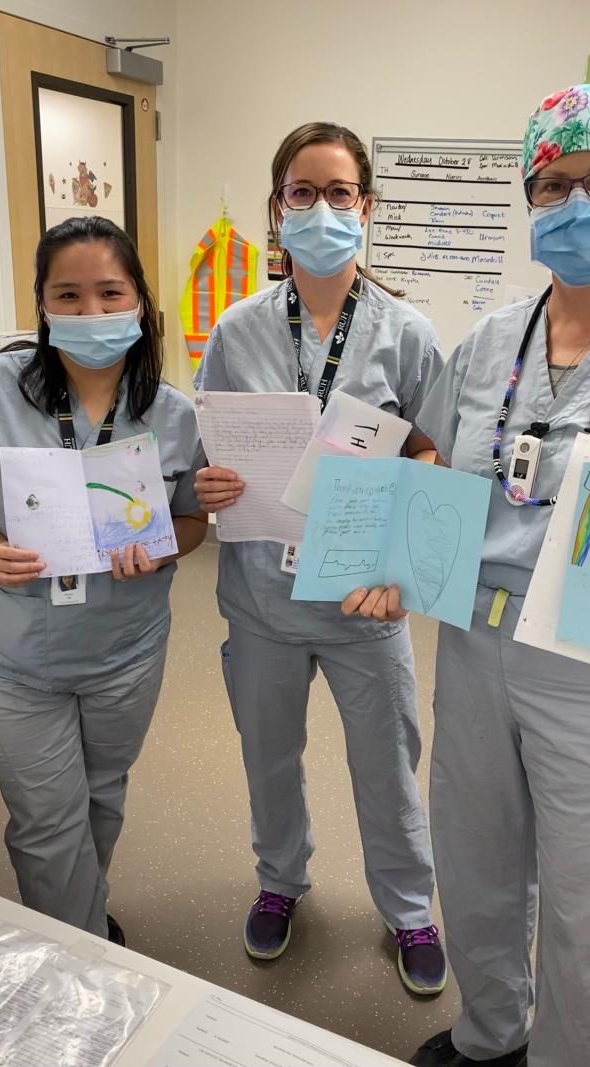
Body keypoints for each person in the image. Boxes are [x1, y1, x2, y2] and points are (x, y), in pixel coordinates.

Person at [344, 85, 590, 1066]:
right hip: (476, 638)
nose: (576, 202)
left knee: (586, 899)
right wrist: (389, 558)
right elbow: (440, 469)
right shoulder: (488, 342)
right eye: (554, 184)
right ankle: (490, 1033)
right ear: (530, 199)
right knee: (477, 862)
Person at [194, 122, 447, 995]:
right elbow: (211, 448)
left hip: (362, 601)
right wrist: (211, 484)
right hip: (261, 594)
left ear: (366, 207)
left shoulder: (409, 335)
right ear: (278, 209)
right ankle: (280, 880)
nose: (323, 208)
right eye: (304, 192)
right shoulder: (236, 328)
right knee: (269, 753)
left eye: (341, 193)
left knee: (386, 764)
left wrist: (406, 572)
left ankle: (410, 905)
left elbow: (434, 460)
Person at [0, 216, 208, 943]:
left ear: (140, 303)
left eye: (108, 292)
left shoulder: (172, 414)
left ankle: (78, 916)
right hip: (14, 654)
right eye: (68, 295)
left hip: (123, 653)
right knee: (44, 818)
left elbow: (189, 523)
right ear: (42, 304)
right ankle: (76, 950)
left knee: (101, 797)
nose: (90, 312)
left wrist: (160, 550)